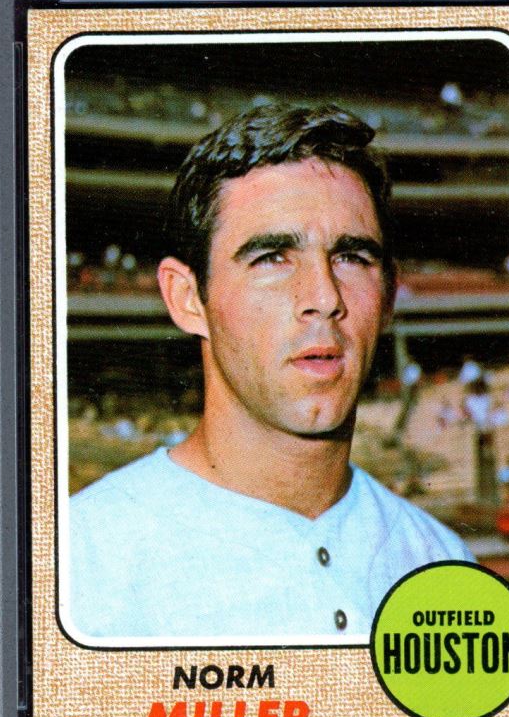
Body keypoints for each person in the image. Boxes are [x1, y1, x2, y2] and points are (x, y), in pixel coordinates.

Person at [66, 103, 473, 645]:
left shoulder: (443, 563)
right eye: (272, 258)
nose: (324, 297)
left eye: (352, 257)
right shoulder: (79, 565)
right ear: (188, 298)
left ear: (389, 296)